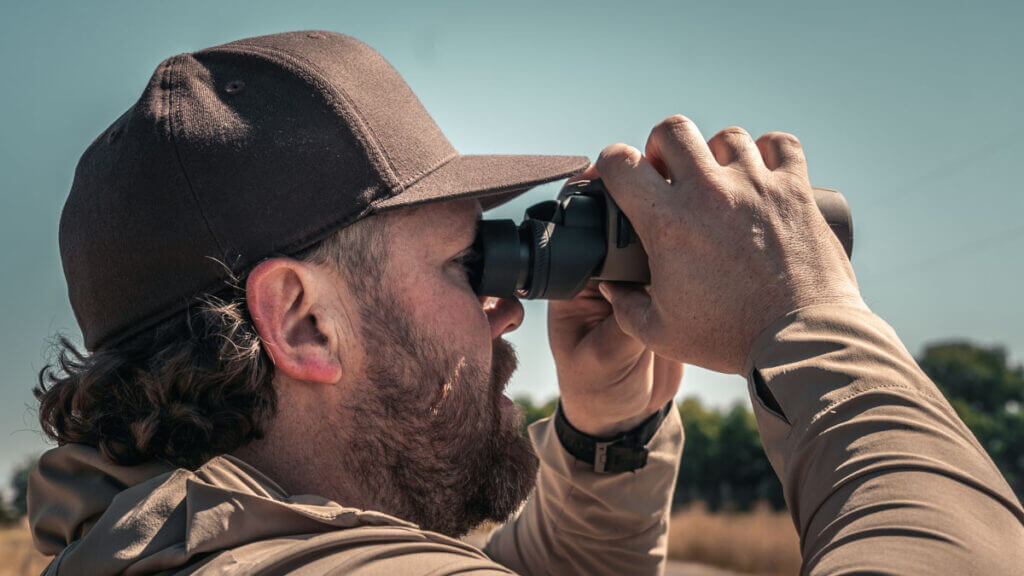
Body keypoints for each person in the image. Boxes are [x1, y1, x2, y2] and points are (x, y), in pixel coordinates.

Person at [25, 30, 1023, 576]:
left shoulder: (153, 536)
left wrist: (608, 436)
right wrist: (809, 318)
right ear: (302, 321)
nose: (507, 310)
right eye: (469, 265)